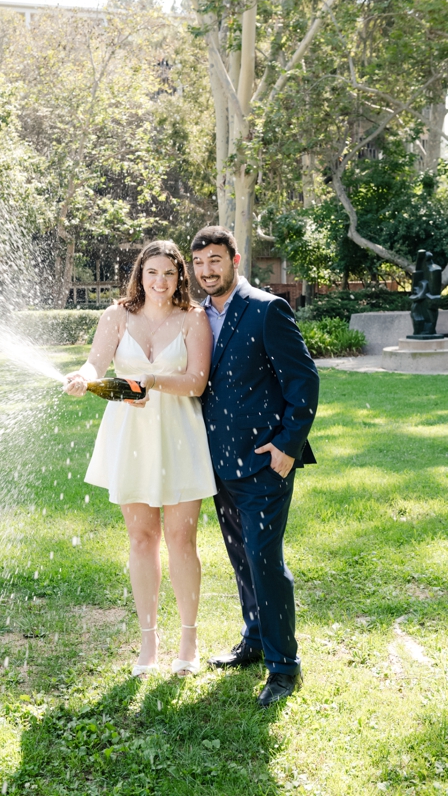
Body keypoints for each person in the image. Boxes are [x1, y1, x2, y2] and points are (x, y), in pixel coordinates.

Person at [63, 240, 215, 678]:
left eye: (169, 273)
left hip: (179, 436)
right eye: (152, 272)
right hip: (131, 438)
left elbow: (196, 383)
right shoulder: (115, 316)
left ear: (179, 277)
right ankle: (148, 643)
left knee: (182, 540)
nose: (160, 281)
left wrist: (150, 379)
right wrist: (82, 377)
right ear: (140, 274)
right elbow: (96, 365)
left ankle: (190, 638)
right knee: (141, 540)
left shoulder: (194, 318)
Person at [191, 225, 319, 708]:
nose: (207, 271)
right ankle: (254, 637)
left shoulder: (268, 310)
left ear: (235, 259)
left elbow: (304, 380)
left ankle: (284, 665)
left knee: (265, 561)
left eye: (216, 261)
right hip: (218, 465)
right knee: (242, 560)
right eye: (200, 263)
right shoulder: (195, 317)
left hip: (266, 464)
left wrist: (287, 445)